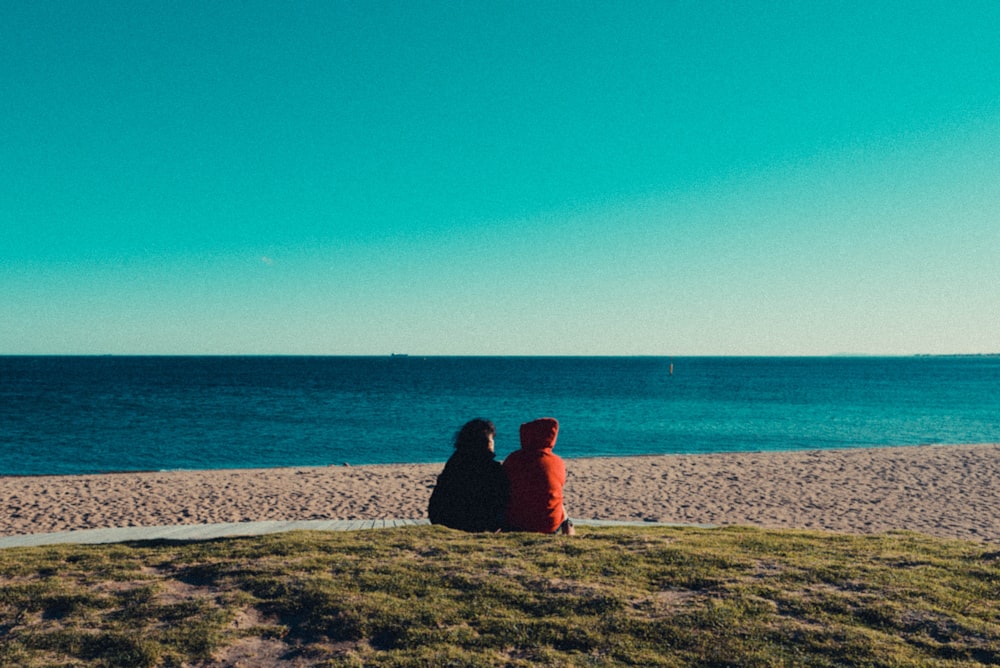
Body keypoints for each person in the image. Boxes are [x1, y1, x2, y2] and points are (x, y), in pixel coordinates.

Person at [427, 418, 510, 532]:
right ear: (487, 442)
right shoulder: (490, 467)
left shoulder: (455, 461)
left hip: (442, 519)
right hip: (476, 523)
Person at [503, 417, 574, 534]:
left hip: (516, 523)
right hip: (548, 525)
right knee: (558, 501)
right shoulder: (556, 462)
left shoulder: (513, 459)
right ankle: (568, 527)